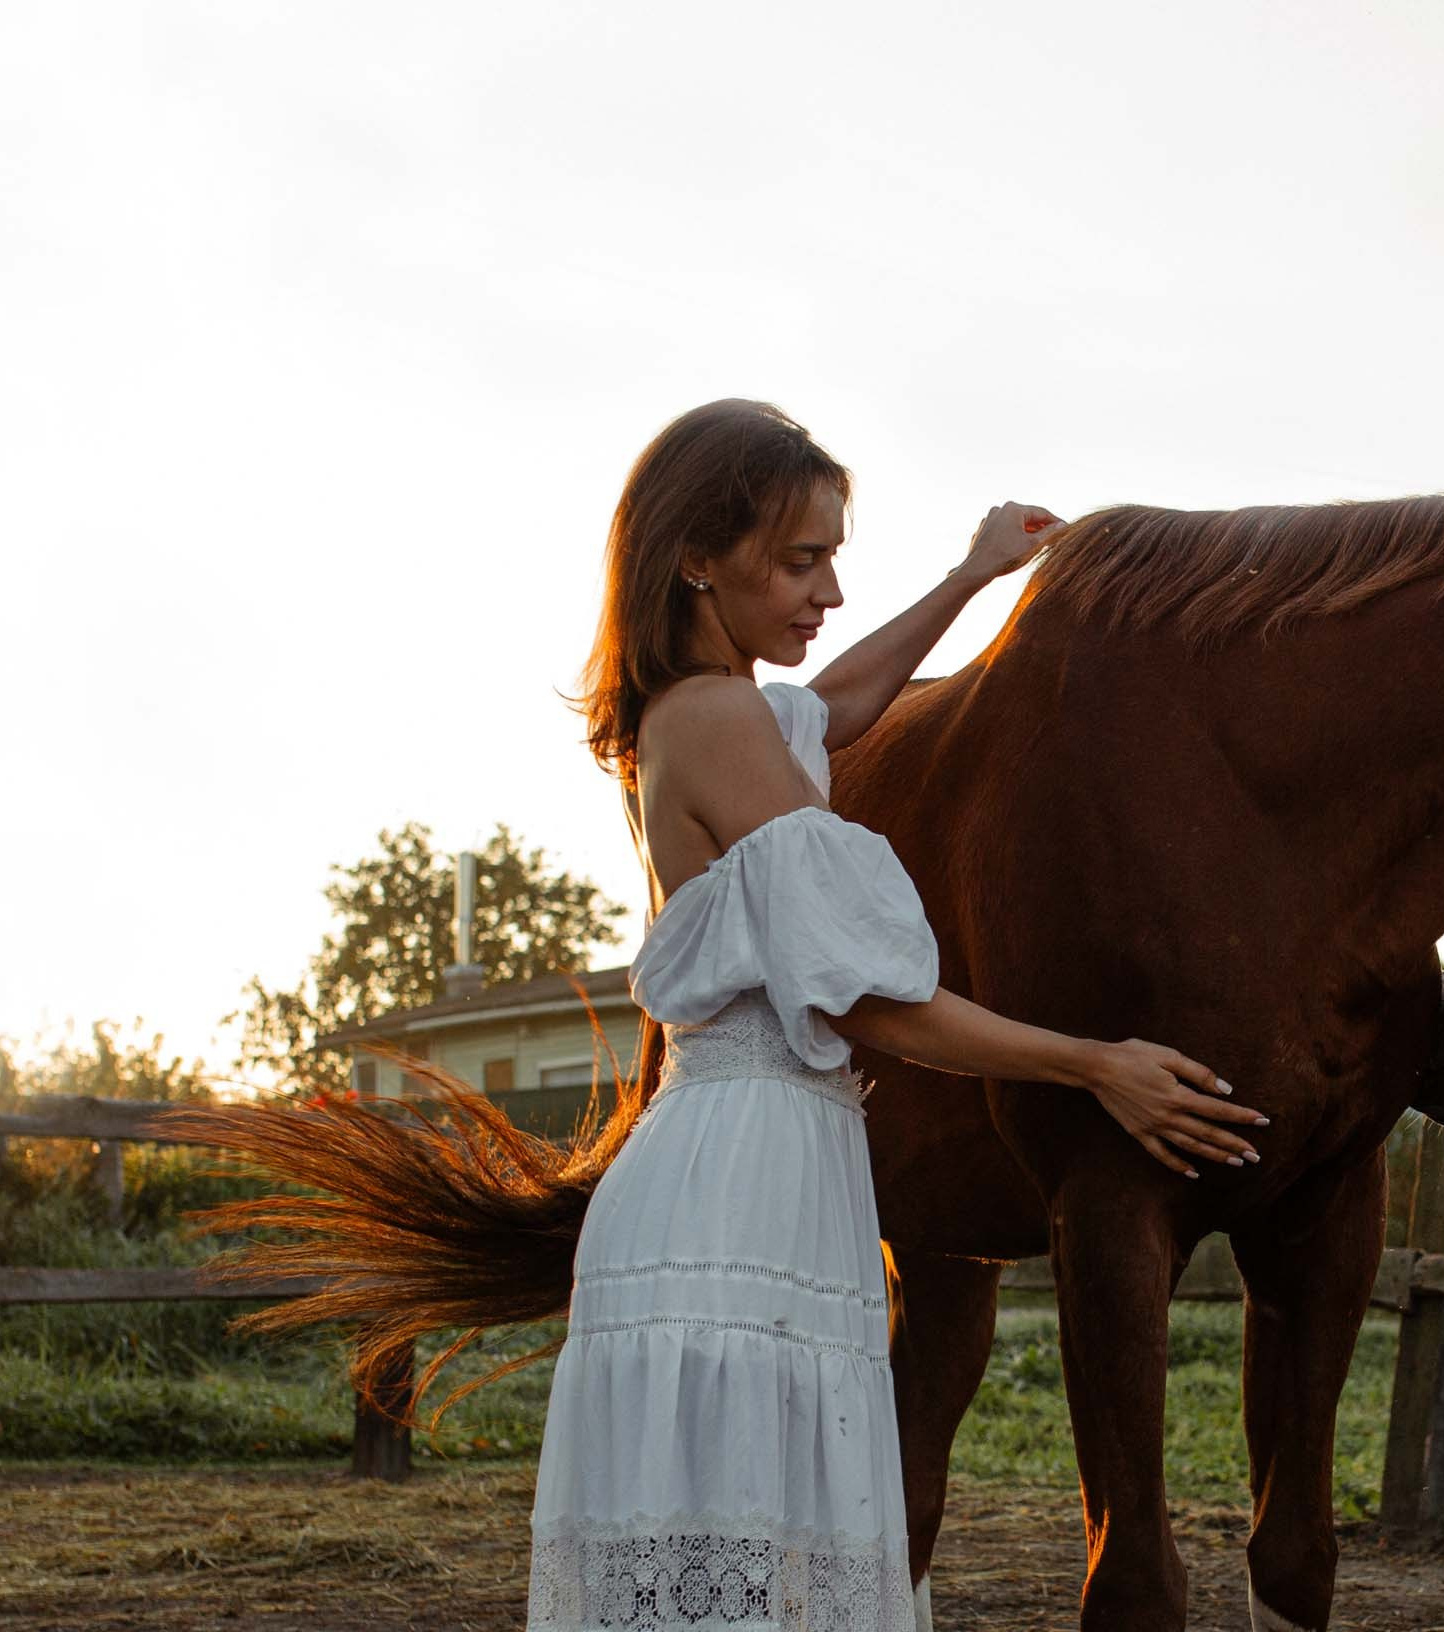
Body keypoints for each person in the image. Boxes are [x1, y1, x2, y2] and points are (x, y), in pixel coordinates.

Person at [529, 398, 1268, 1631]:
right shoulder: (716, 720)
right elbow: (878, 1000)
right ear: (697, 558)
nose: (827, 591)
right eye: (800, 561)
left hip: (747, 1162)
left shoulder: (713, 715)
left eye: (832, 559)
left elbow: (838, 703)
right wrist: (1096, 1064)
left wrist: (972, 575)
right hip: (743, 1183)